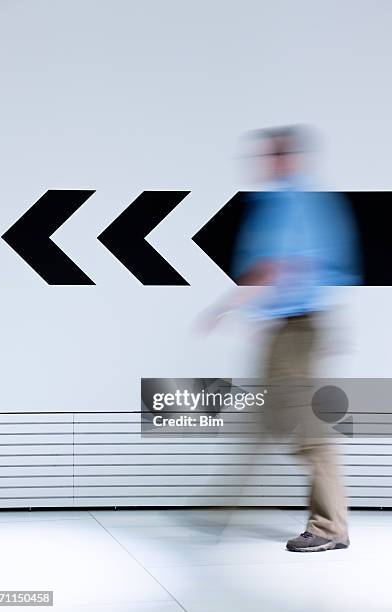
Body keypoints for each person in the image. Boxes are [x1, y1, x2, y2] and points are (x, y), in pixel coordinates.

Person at [202, 125, 361, 552]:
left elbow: (273, 267)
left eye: (270, 156)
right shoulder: (308, 199)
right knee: (266, 421)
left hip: (293, 328)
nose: (263, 164)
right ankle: (223, 507)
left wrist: (226, 306)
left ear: (284, 157)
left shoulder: (287, 201)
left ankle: (330, 528)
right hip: (291, 326)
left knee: (306, 429)